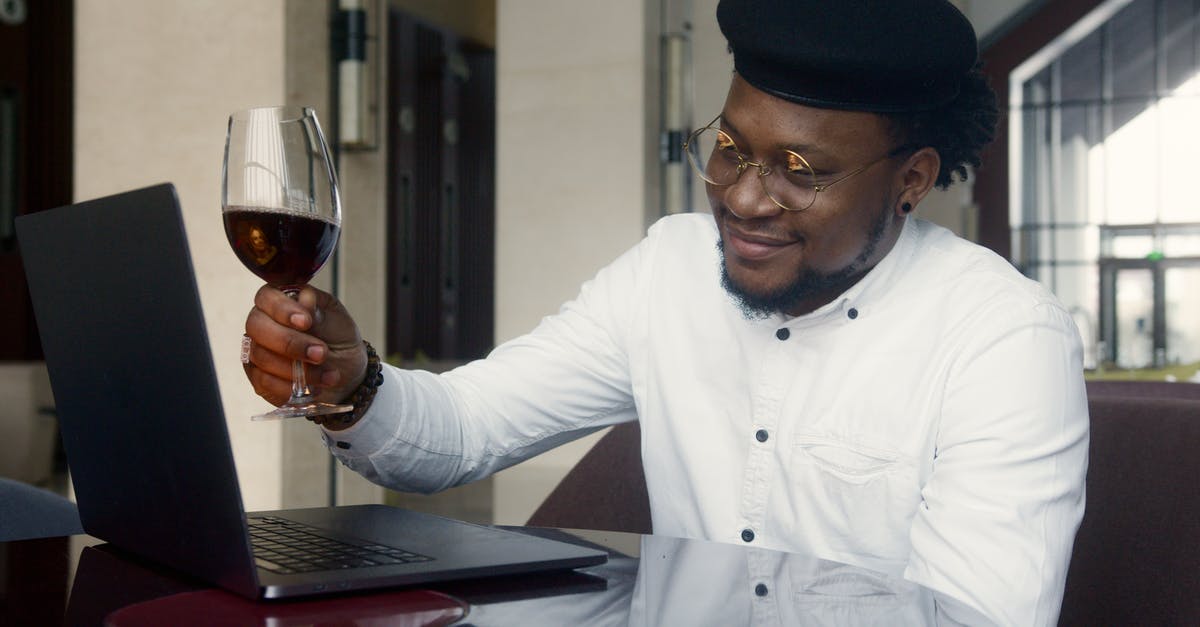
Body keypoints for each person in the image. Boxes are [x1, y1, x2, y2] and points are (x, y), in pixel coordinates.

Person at [242, 1, 1088, 624]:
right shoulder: (668, 269)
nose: (746, 199)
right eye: (730, 149)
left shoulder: (1003, 341)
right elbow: (465, 427)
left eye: (801, 169)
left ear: (911, 179)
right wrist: (351, 384)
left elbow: (977, 619)